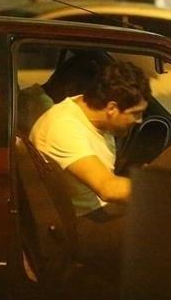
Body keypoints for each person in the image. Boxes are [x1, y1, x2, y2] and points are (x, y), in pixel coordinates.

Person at [29, 60, 151, 267]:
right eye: (136, 113)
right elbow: (108, 188)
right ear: (112, 108)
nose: (139, 121)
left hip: (93, 212)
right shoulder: (65, 128)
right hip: (78, 225)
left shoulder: (88, 111)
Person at [17, 53, 101, 135]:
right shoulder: (48, 111)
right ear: (70, 89)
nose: (87, 105)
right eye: (85, 98)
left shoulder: (30, 95)